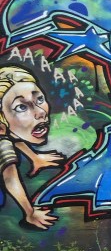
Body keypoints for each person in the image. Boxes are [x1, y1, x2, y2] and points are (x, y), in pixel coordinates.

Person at [0, 66, 63, 228]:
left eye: (39, 99)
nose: (40, 112)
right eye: (21, 107)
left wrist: (35, 158)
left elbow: (13, 136)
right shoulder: (2, 144)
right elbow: (10, 179)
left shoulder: (7, 129)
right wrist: (30, 213)